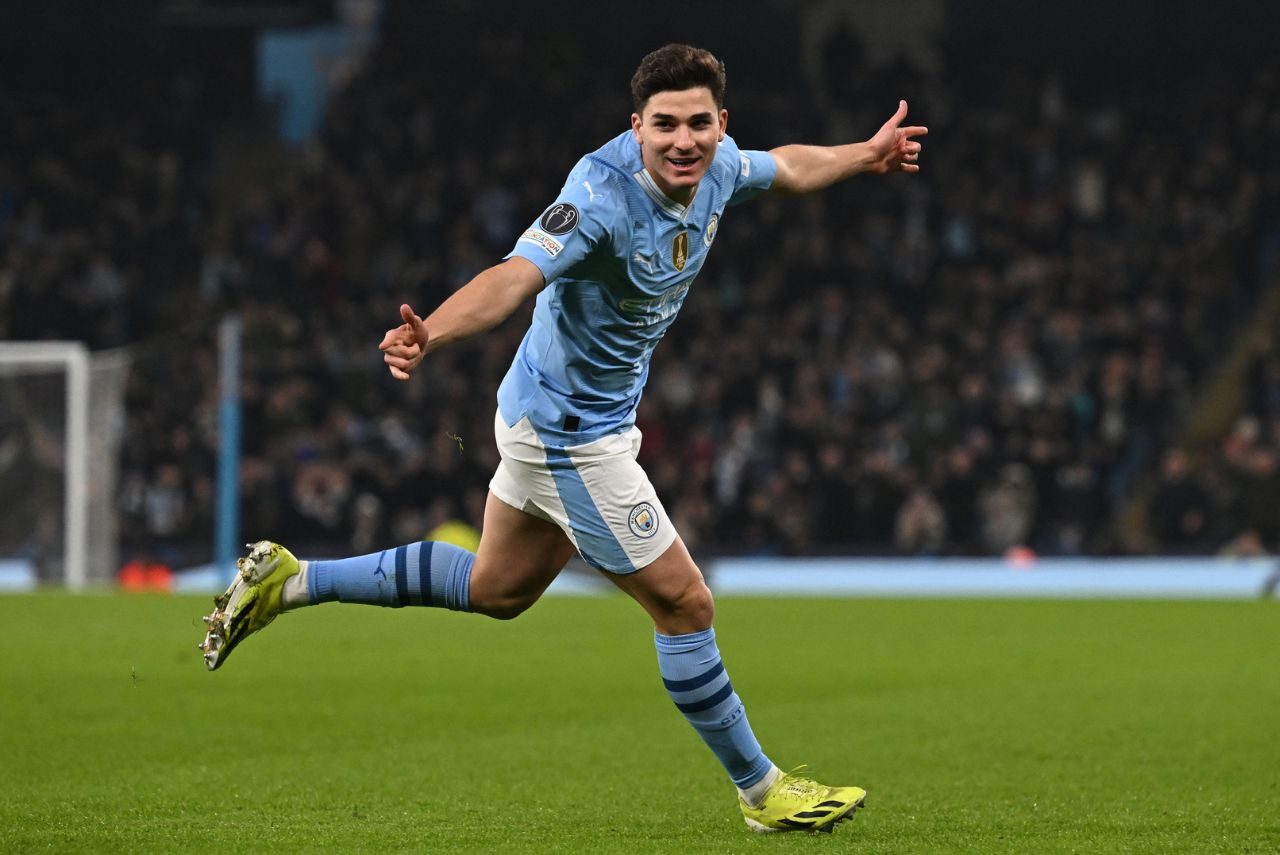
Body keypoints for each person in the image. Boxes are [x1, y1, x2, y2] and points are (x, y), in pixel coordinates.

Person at [200, 43, 926, 834]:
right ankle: (762, 791)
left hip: (556, 414)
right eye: (664, 126)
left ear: (721, 123)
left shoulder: (718, 166)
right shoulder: (599, 195)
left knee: (497, 589)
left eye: (697, 124)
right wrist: (431, 332)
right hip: (568, 433)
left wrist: (865, 155)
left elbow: (783, 166)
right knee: (686, 603)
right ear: (636, 128)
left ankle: (293, 580)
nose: (683, 141)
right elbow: (514, 277)